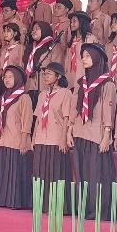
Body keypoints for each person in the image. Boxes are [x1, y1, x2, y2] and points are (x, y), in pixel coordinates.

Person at [68, 43, 116, 220]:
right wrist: (69, 130)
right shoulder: (81, 83)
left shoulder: (106, 83)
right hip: (81, 132)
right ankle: (84, 207)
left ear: (97, 58)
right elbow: (75, 108)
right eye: (83, 55)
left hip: (97, 135)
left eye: (88, 55)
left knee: (97, 174)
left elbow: (108, 113)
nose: (83, 58)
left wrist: (106, 136)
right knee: (82, 172)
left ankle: (98, 209)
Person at [0, 65, 32, 209]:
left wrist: (23, 141)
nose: (6, 80)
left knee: (14, 172)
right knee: (1, 171)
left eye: (10, 77)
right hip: (2, 139)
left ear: (18, 79)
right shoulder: (2, 98)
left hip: (16, 140)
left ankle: (15, 201)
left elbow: (27, 121)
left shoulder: (24, 97)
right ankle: (0, 199)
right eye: (5, 77)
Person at [32, 62, 72, 214]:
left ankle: (57, 205)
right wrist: (34, 138)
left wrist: (63, 139)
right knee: (41, 171)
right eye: (44, 74)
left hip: (56, 137)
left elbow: (67, 118)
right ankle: (42, 204)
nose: (46, 76)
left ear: (58, 76)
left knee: (55, 172)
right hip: (42, 137)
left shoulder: (65, 93)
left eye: (49, 74)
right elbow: (37, 118)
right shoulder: (43, 94)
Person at [24, 21, 54, 107]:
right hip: (30, 87)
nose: (33, 31)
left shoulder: (53, 47)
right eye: (33, 29)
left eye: (37, 29)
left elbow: (57, 69)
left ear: (45, 30)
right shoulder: (29, 48)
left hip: (45, 87)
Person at [67, 11, 97, 88]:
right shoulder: (72, 40)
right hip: (71, 77)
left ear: (82, 22)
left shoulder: (89, 38)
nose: (71, 24)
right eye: (71, 22)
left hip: (84, 75)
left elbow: (93, 59)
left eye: (74, 21)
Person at [105, 12, 117, 99]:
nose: (112, 24)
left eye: (116, 22)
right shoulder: (109, 44)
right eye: (112, 22)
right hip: (109, 84)